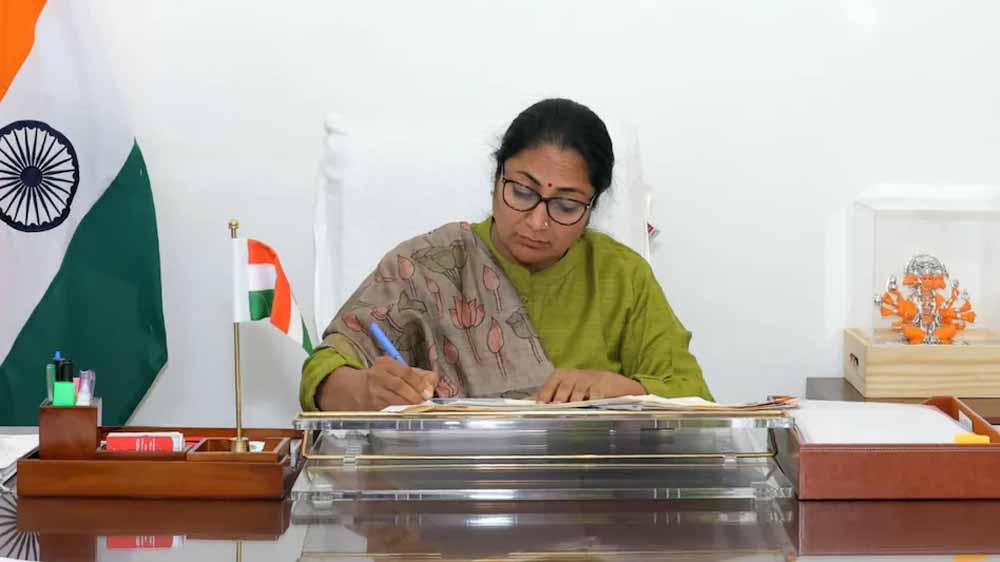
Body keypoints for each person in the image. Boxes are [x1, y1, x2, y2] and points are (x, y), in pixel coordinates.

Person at [301, 98, 712, 411]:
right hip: (446, 485)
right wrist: (362, 389)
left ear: (592, 207)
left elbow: (693, 396)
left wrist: (623, 389)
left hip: (589, 490)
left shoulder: (621, 276)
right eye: (522, 191)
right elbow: (323, 370)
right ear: (497, 178)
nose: (537, 222)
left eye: (566, 205)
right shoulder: (425, 266)